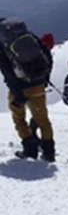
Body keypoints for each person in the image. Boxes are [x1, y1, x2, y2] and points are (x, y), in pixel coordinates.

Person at [0, 18, 55, 161]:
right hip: (38, 84)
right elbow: (47, 54)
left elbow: (7, 71)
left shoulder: (2, 42)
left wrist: (17, 93)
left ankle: (30, 150)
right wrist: (45, 78)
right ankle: (49, 153)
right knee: (43, 120)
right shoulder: (26, 33)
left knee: (19, 118)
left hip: (20, 87)